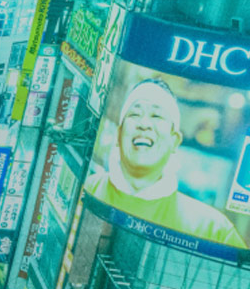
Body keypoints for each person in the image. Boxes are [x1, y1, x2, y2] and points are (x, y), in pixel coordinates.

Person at [83, 77, 248, 249]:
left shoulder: (214, 229)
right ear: (119, 134)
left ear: (175, 140)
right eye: (135, 114)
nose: (144, 124)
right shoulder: (88, 187)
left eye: (156, 115)